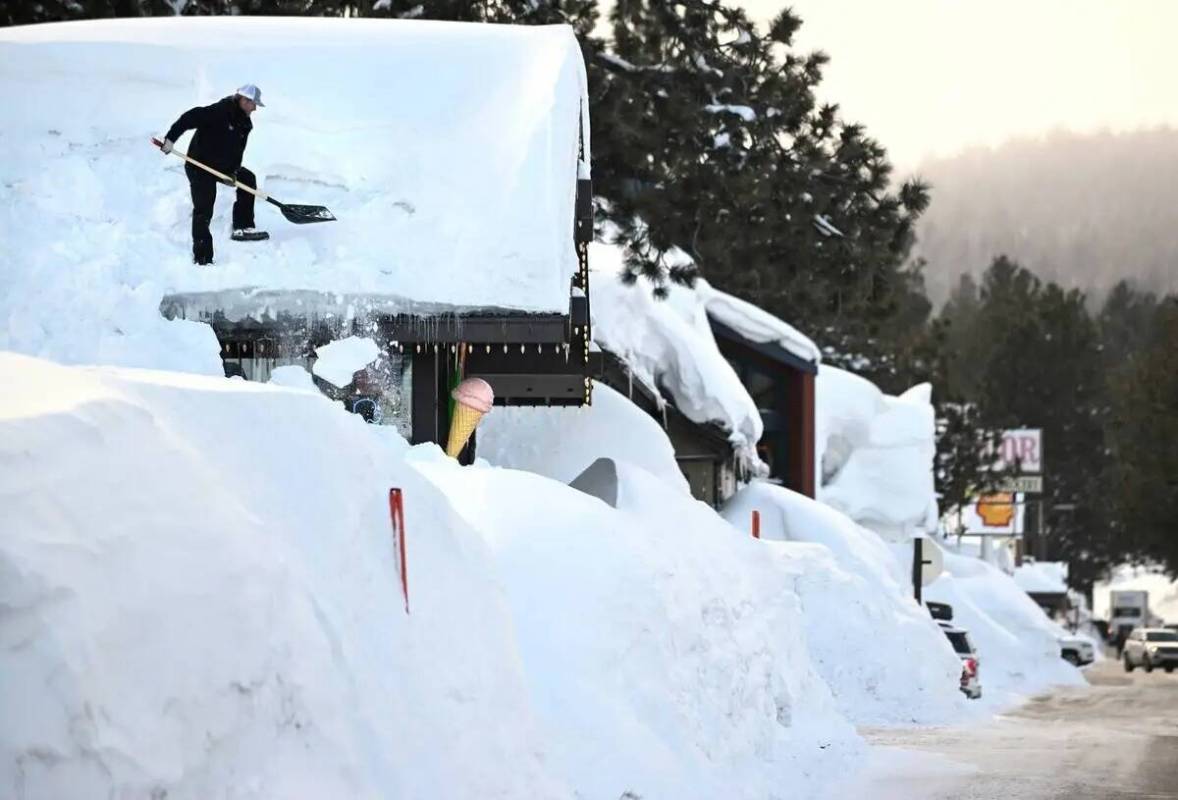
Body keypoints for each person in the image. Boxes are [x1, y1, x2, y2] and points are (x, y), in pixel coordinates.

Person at [160, 84, 269, 265]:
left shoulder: (245, 123)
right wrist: (170, 138)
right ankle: (202, 257)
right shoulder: (219, 112)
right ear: (244, 100)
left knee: (247, 178)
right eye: (253, 104)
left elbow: (236, 151)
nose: (255, 108)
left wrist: (232, 172)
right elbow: (188, 118)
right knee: (204, 209)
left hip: (222, 168)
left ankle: (243, 227)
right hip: (200, 167)